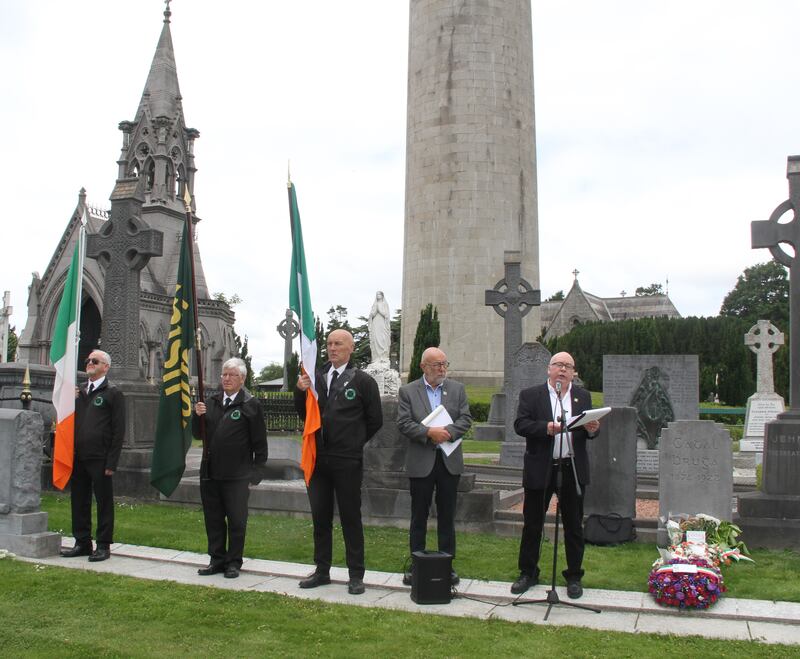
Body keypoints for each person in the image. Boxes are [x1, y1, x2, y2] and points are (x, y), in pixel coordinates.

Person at [294, 329, 383, 595]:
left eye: (338, 344)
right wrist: (300, 391)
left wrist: (353, 442)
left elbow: (375, 420)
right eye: (330, 343)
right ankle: (322, 571)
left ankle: (356, 575)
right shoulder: (315, 377)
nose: (332, 348)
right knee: (320, 517)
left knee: (350, 518)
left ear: (351, 348)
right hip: (318, 459)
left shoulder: (363, 381)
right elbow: (305, 414)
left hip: (347, 460)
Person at [511, 351, 600, 599]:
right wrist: (546, 428)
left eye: (568, 366)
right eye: (558, 365)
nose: (562, 369)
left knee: (573, 525)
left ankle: (574, 576)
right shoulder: (531, 395)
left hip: (572, 467)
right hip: (541, 466)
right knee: (533, 523)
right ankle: (528, 572)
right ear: (549, 369)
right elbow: (520, 425)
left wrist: (593, 429)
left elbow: (589, 432)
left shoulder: (582, 396)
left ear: (573, 373)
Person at [397, 347, 472, 586]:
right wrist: (429, 433)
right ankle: (416, 565)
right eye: (436, 365)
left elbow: (465, 419)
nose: (442, 369)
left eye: (444, 364)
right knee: (418, 516)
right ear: (423, 367)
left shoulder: (457, 389)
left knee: (447, 517)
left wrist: (447, 432)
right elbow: (404, 423)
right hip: (421, 462)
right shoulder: (408, 391)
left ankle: (447, 565)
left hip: (449, 462)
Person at [193, 357, 268, 579]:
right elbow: (198, 434)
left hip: (237, 475)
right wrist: (197, 416)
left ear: (242, 378)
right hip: (210, 473)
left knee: (236, 520)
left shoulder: (250, 405)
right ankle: (216, 559)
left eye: (232, 375)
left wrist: (256, 473)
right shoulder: (211, 402)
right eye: (224, 374)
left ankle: (234, 562)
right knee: (213, 519)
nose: (226, 378)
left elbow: (260, 443)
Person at [60, 350, 125, 562]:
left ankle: (103, 545)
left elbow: (119, 430)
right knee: (79, 500)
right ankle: (82, 542)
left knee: (104, 501)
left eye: (95, 361)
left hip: (100, 456)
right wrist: (68, 400)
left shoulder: (113, 393)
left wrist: (112, 461)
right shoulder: (79, 392)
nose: (89, 363)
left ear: (105, 367)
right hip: (78, 455)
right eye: (88, 360)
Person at [367, 291, 391, 363]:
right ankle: (376, 358)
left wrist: (379, 309)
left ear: (382, 296)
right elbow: (372, 315)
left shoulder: (384, 304)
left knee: (382, 338)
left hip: (382, 322)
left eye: (379, 294)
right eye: (377, 294)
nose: (378, 296)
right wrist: (372, 313)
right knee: (375, 338)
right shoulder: (374, 304)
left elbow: (386, 315)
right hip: (375, 322)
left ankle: (383, 356)